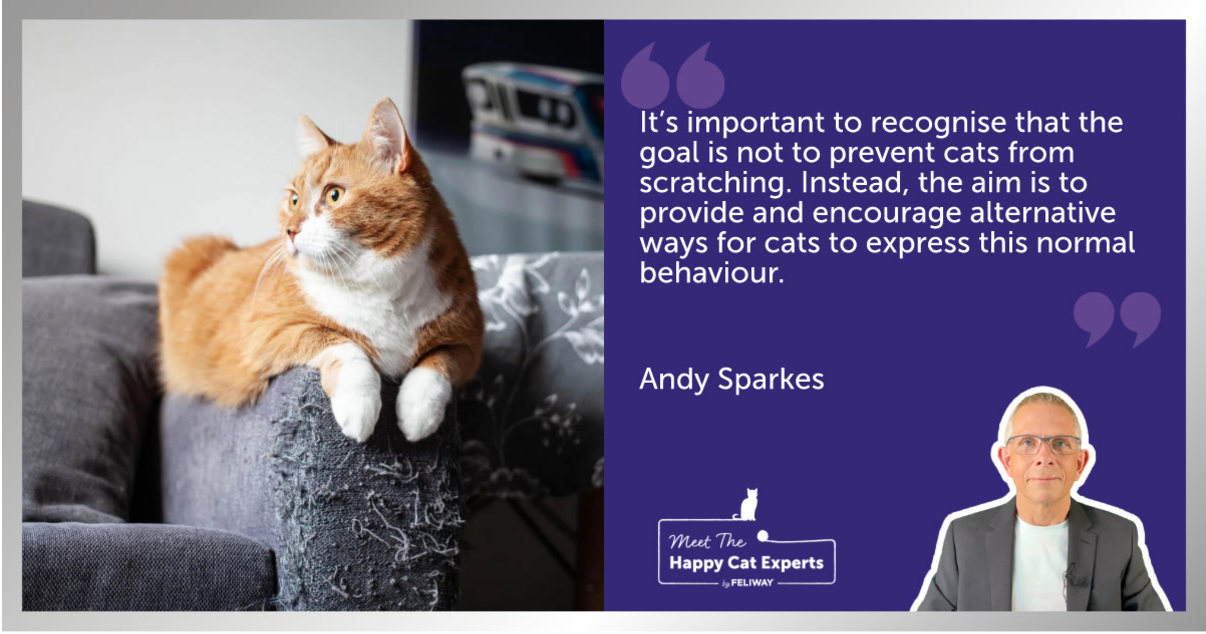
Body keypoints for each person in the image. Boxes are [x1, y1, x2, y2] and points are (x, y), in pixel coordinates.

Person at [913, 387, 1169, 611]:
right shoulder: (964, 536)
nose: (1044, 456)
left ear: (1080, 463)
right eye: (1027, 442)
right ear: (1006, 460)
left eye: (1060, 444)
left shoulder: (1120, 536)